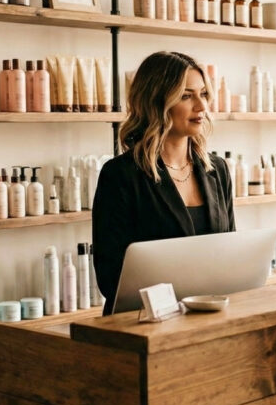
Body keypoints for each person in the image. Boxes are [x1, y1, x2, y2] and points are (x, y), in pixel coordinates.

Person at [93, 52, 235, 314]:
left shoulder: (218, 171)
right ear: (156, 102)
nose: (201, 107)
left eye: (203, 94)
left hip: (207, 320)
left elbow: (228, 256)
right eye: (186, 95)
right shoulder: (121, 176)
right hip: (143, 325)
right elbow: (110, 277)